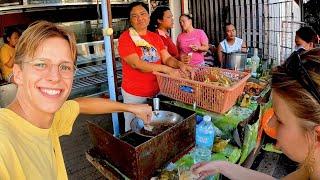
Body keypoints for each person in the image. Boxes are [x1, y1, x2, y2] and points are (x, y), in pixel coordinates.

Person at [0, 21, 153, 179]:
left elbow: (80, 105)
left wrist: (132, 108)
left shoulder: (46, 117)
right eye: (40, 64)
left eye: (65, 67)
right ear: (18, 74)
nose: (55, 77)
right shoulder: (4, 141)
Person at [192, 48, 320, 180]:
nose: (269, 123)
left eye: (280, 120)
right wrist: (221, 166)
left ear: (317, 136)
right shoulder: (312, 164)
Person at [118, 2, 193, 132]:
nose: (140, 18)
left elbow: (167, 58)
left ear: (148, 16)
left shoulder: (155, 37)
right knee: (134, 129)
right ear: (130, 20)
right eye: (134, 16)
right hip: (135, 95)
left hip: (156, 91)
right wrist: (167, 69)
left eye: (142, 14)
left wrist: (180, 65)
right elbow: (138, 64)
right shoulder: (126, 38)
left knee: (154, 127)